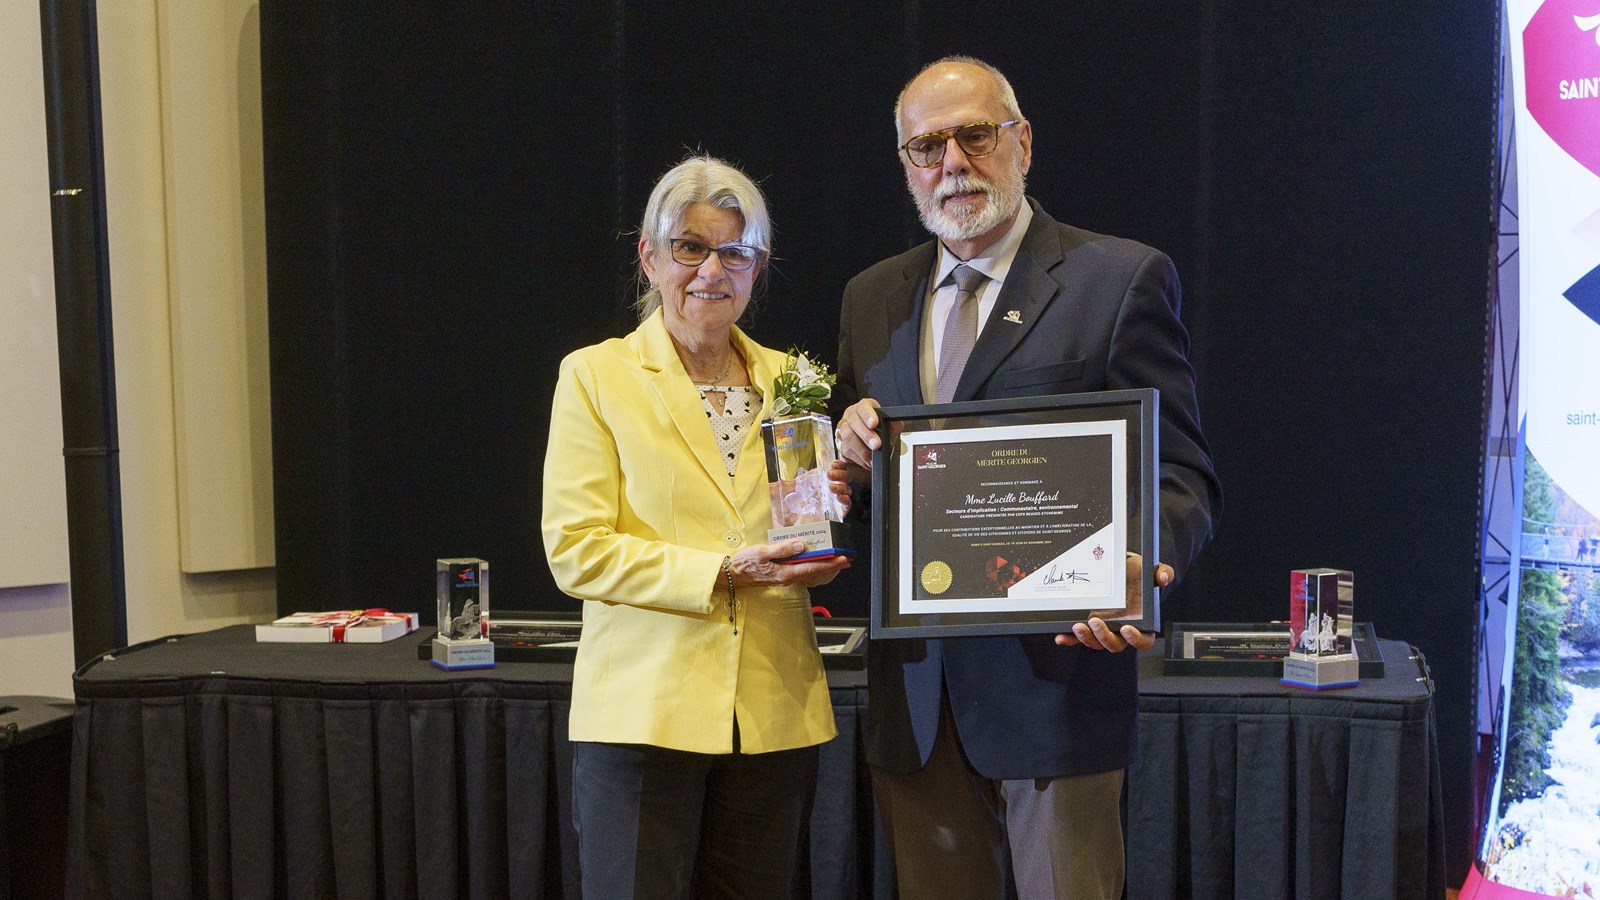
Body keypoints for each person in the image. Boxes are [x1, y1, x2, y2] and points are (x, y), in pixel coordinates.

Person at [830, 57, 1221, 899]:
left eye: (974, 135)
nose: (953, 163)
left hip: (1058, 694)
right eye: (927, 145)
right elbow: (866, 503)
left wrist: (1138, 569)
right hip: (917, 704)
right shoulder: (871, 299)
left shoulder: (1117, 279)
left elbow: (1181, 470)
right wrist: (849, 462)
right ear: (905, 164)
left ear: (1023, 141)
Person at [541, 155, 850, 899]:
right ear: (650, 257)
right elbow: (576, 551)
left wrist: (827, 511)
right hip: (643, 718)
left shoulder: (793, 377)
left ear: (757, 267)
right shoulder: (596, 375)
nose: (712, 269)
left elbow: (801, 525)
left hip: (775, 713)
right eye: (690, 247)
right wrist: (723, 571)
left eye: (735, 252)